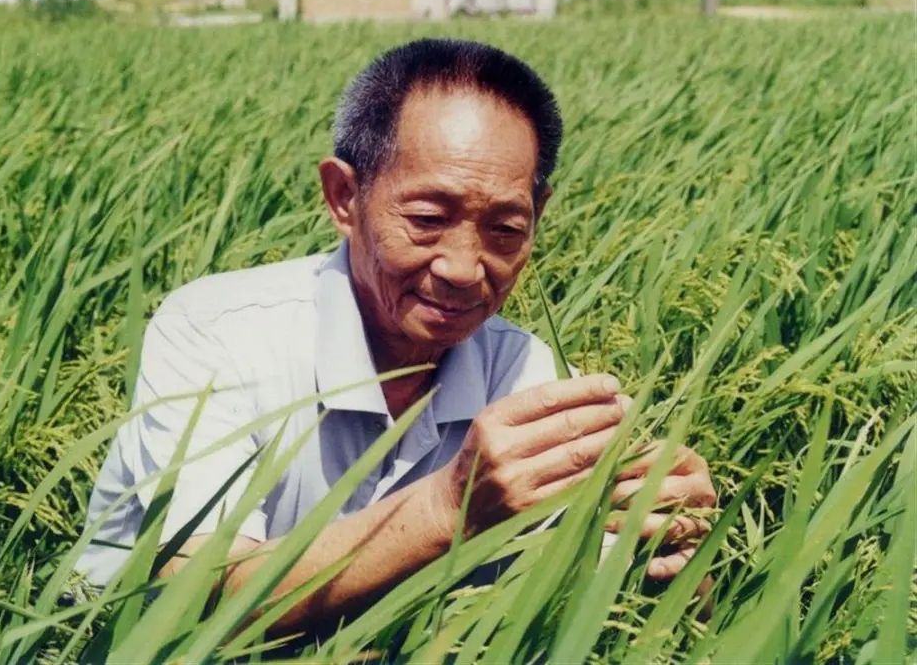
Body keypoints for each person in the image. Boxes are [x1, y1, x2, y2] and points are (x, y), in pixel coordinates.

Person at [77, 38, 716, 632]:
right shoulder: (214, 333)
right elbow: (198, 592)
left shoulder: (522, 370)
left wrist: (674, 547)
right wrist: (449, 509)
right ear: (344, 196)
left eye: (505, 230)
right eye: (428, 219)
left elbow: (595, 598)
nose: (465, 269)